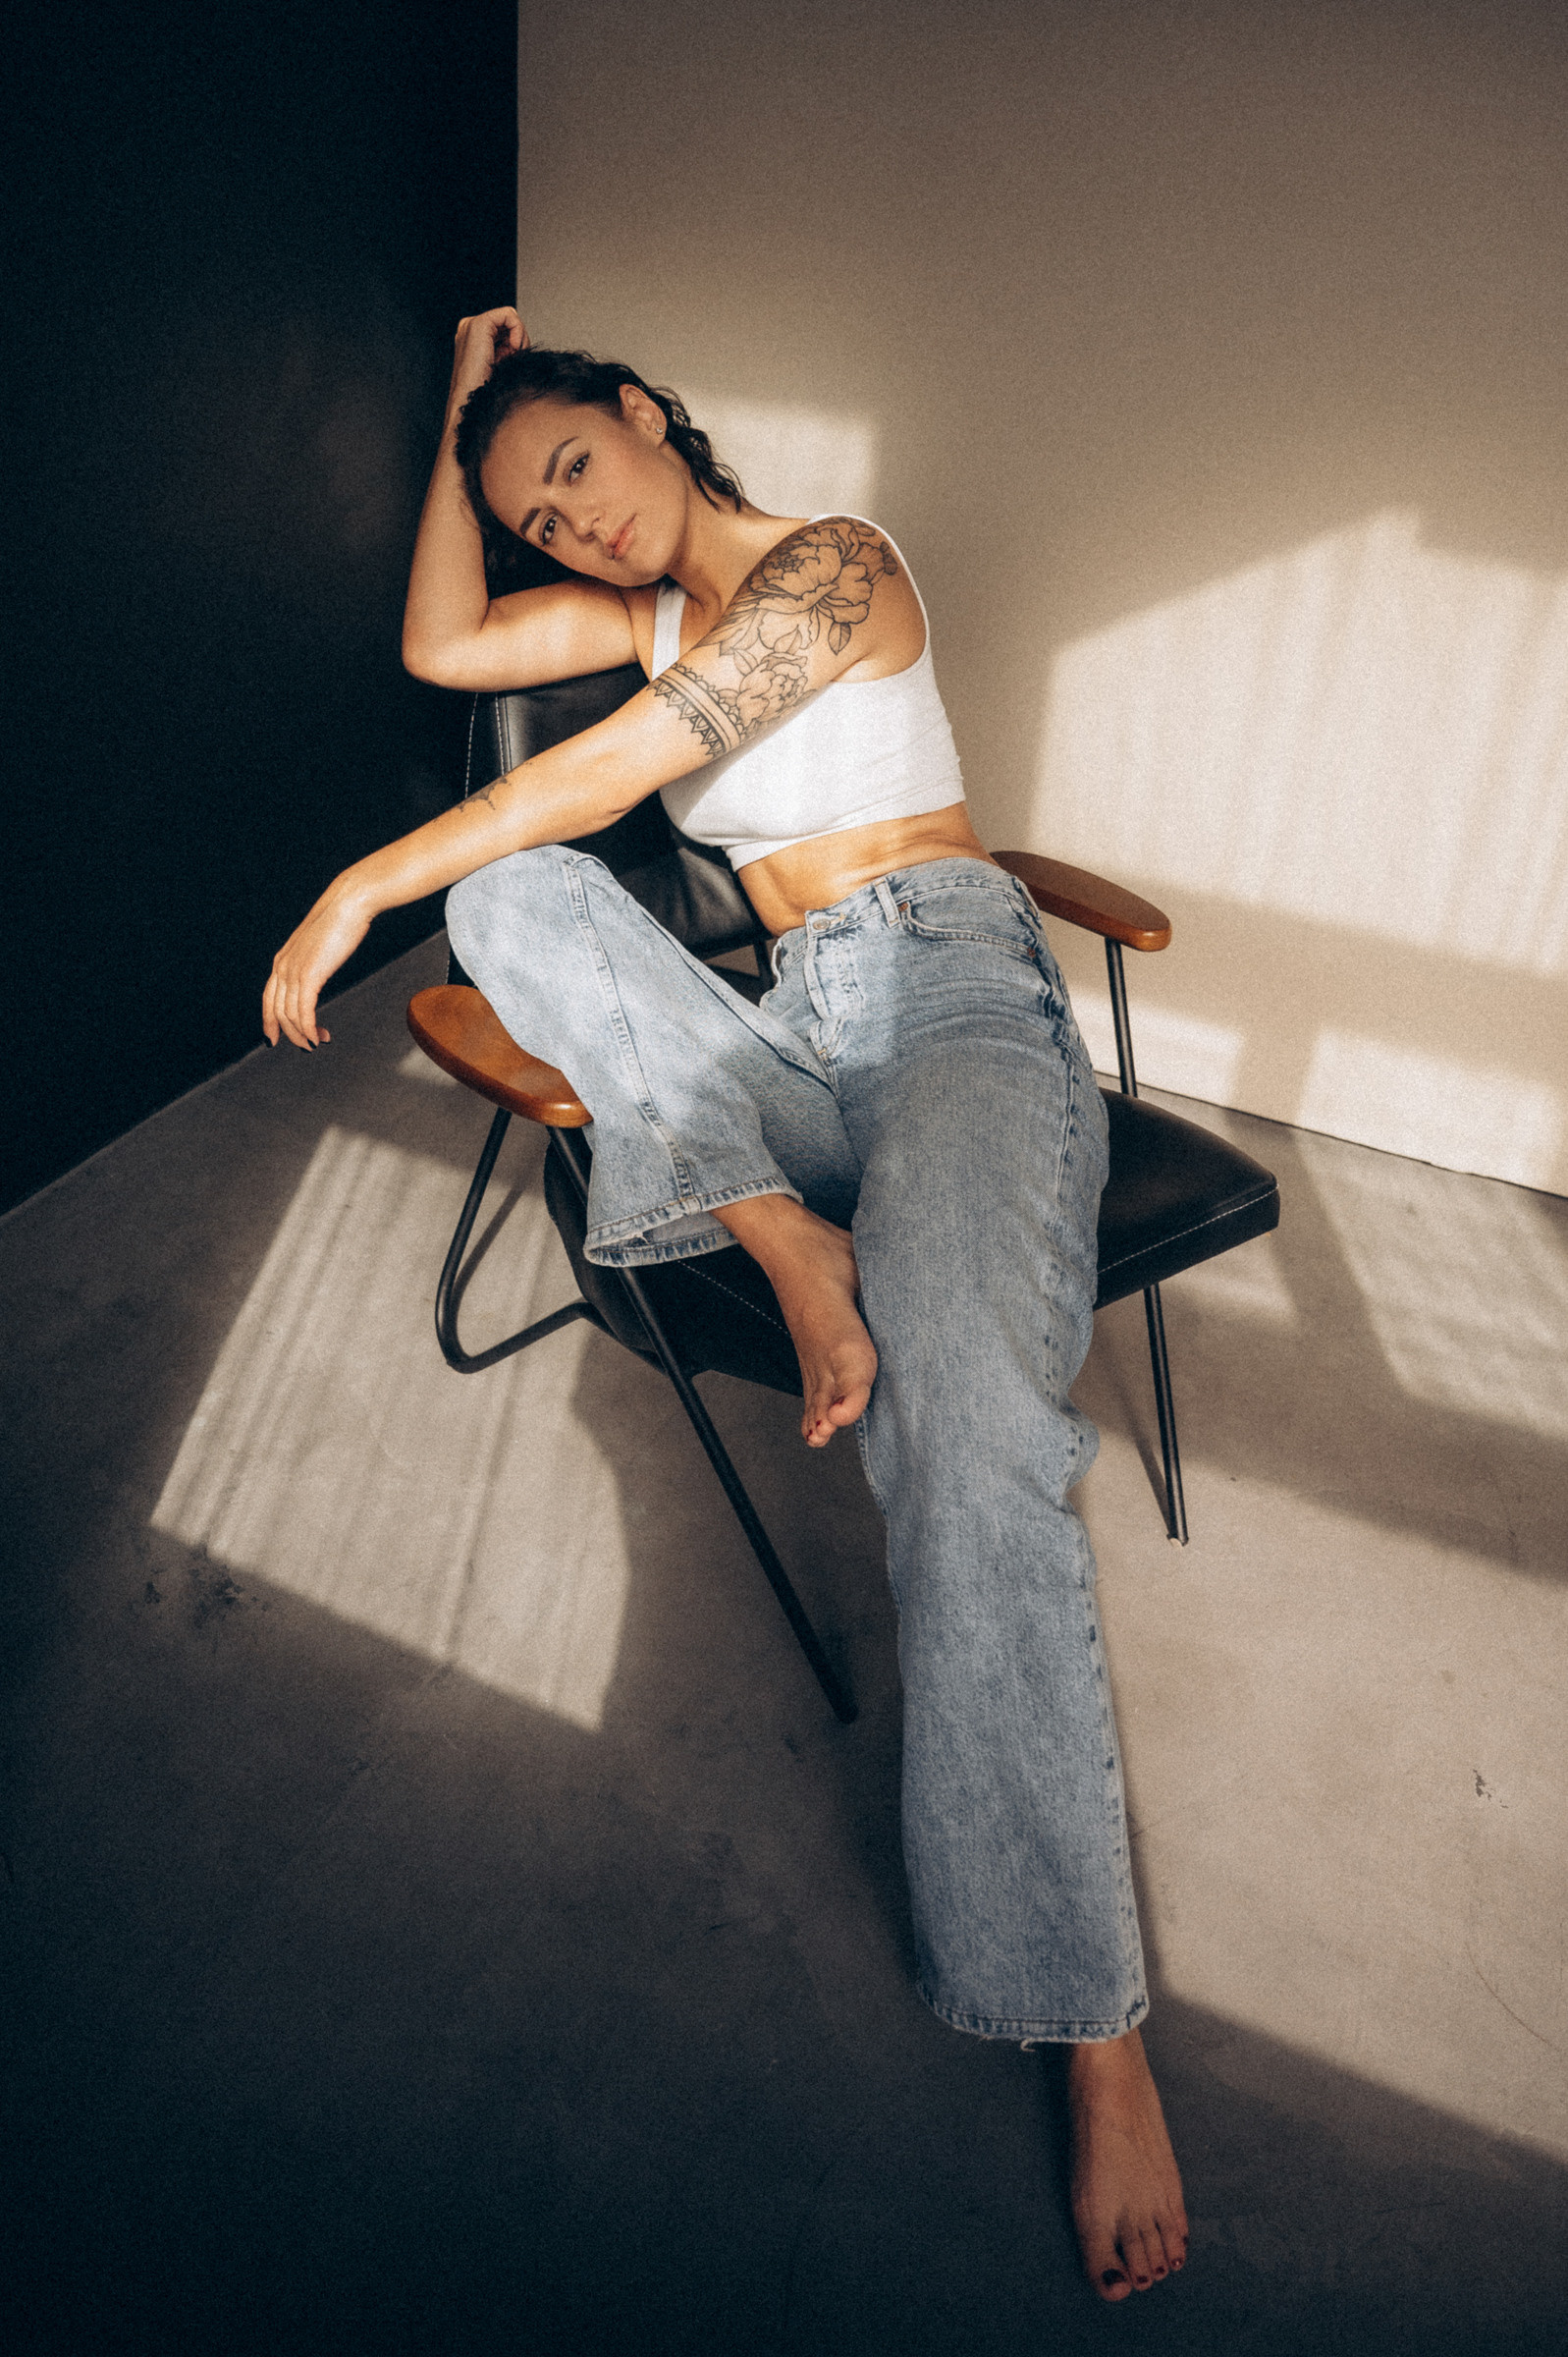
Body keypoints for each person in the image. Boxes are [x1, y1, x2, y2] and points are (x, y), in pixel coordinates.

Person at [264, 305, 1188, 2302]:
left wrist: (356, 882)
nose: (568, 524)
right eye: (534, 515)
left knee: (969, 1434)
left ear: (641, 415)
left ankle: (1087, 2020)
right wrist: (460, 426)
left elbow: (623, 766)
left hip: (949, 1003)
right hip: (783, 1033)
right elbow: (441, 648)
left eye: (572, 468)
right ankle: (780, 1236)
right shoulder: (638, 620)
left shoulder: (832, 564)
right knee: (507, 898)